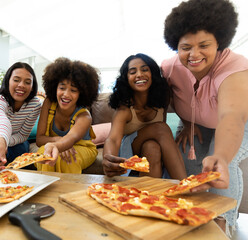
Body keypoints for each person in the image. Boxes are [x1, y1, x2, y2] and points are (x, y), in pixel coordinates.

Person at [161, 0, 248, 232]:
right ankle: (192, 217)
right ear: (175, 46)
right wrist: (189, 121)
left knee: (218, 164)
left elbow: (232, 116)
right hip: (195, 124)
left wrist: (220, 154)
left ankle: (223, 224)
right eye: (186, 47)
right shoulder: (168, 68)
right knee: (187, 164)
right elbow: (163, 99)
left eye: (204, 45)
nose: (194, 54)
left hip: (236, 124)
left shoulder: (234, 66)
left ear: (219, 42)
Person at [103, 53, 187, 180]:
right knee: (161, 128)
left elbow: (184, 107)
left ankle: (149, 195)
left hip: (149, 151)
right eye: (132, 72)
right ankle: (184, 185)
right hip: (128, 150)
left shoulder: (162, 100)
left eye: (144, 69)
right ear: (126, 78)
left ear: (153, 73)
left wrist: (189, 126)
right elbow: (113, 139)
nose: (139, 74)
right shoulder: (124, 109)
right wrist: (108, 159)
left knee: (152, 147)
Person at [35, 57, 99, 173]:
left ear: (81, 93)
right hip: (54, 144)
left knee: (68, 158)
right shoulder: (49, 103)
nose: (66, 94)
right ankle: (45, 189)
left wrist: (60, 145)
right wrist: (58, 142)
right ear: (55, 87)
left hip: (82, 148)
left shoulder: (84, 116)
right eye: (62, 88)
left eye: (73, 90)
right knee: (44, 153)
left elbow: (71, 138)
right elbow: (39, 139)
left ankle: (70, 191)